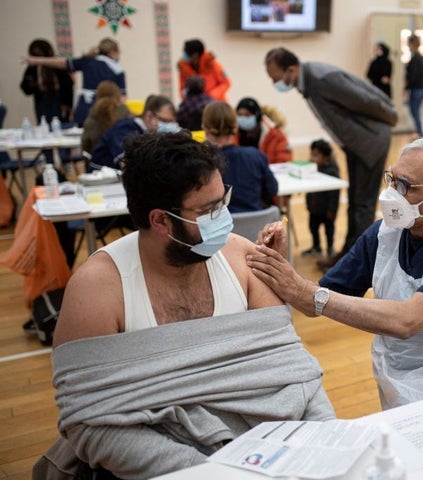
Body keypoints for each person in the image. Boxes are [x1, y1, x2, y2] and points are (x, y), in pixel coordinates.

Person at [34, 132, 334, 479]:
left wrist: (328, 441)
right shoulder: (98, 288)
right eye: (209, 210)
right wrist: (208, 473)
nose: (225, 217)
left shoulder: (243, 261)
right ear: (160, 220)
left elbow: (298, 378)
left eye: (223, 201)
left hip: (266, 454)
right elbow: (89, 423)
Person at [247, 137, 423, 409]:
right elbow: (313, 303)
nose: (392, 193)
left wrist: (306, 292)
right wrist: (278, 263)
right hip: (406, 380)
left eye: (405, 185)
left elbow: (406, 321)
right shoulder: (383, 235)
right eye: (392, 180)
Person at [264, 47, 398, 271]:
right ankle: (350, 254)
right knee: (355, 202)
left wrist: (391, 117)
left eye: (276, 78)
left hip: (370, 142)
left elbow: (366, 100)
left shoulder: (322, 79)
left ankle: (357, 264)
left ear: (291, 69)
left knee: (362, 205)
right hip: (356, 145)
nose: (275, 83)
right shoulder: (308, 83)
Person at [23, 37, 126, 127]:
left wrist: (36, 60)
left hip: (84, 109)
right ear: (113, 52)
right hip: (105, 111)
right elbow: (122, 98)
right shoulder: (117, 70)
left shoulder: (87, 61)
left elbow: (62, 63)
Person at [202, 101, 278, 213]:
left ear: (204, 127)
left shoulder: (201, 163)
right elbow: (272, 190)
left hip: (220, 227)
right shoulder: (256, 156)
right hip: (255, 225)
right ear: (236, 126)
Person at [90, 94, 177, 171]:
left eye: (171, 122)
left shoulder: (150, 134)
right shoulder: (124, 130)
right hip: (100, 182)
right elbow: (127, 165)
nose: (168, 125)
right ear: (149, 116)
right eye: (165, 121)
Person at [19, 38, 74, 124]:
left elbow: (68, 84)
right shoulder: (32, 68)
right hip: (41, 98)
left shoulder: (56, 64)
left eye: (40, 53)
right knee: (43, 123)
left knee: (60, 123)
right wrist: (32, 85)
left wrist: (67, 103)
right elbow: (25, 86)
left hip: (58, 98)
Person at [302, 139, 340, 258]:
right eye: (311, 154)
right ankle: (316, 247)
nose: (312, 158)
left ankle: (330, 248)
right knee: (313, 228)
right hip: (314, 208)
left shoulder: (332, 171)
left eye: (316, 155)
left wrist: (332, 209)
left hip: (327, 210)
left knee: (329, 230)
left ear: (326, 157)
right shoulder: (312, 169)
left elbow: (335, 193)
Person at [80, 80, 133, 158]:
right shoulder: (124, 112)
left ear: (97, 96)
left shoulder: (92, 117)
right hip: (122, 161)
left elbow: (85, 148)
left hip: (98, 164)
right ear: (117, 95)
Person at [236, 96, 292, 164]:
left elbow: (284, 164)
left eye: (247, 115)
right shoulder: (232, 135)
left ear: (258, 117)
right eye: (240, 115)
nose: (243, 119)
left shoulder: (276, 136)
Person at [405, 34, 423, 139]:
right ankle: (419, 132)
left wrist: (407, 88)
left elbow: (413, 76)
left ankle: (419, 133)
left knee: (414, 111)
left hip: (417, 88)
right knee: (415, 111)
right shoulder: (420, 57)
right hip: (420, 88)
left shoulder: (416, 58)